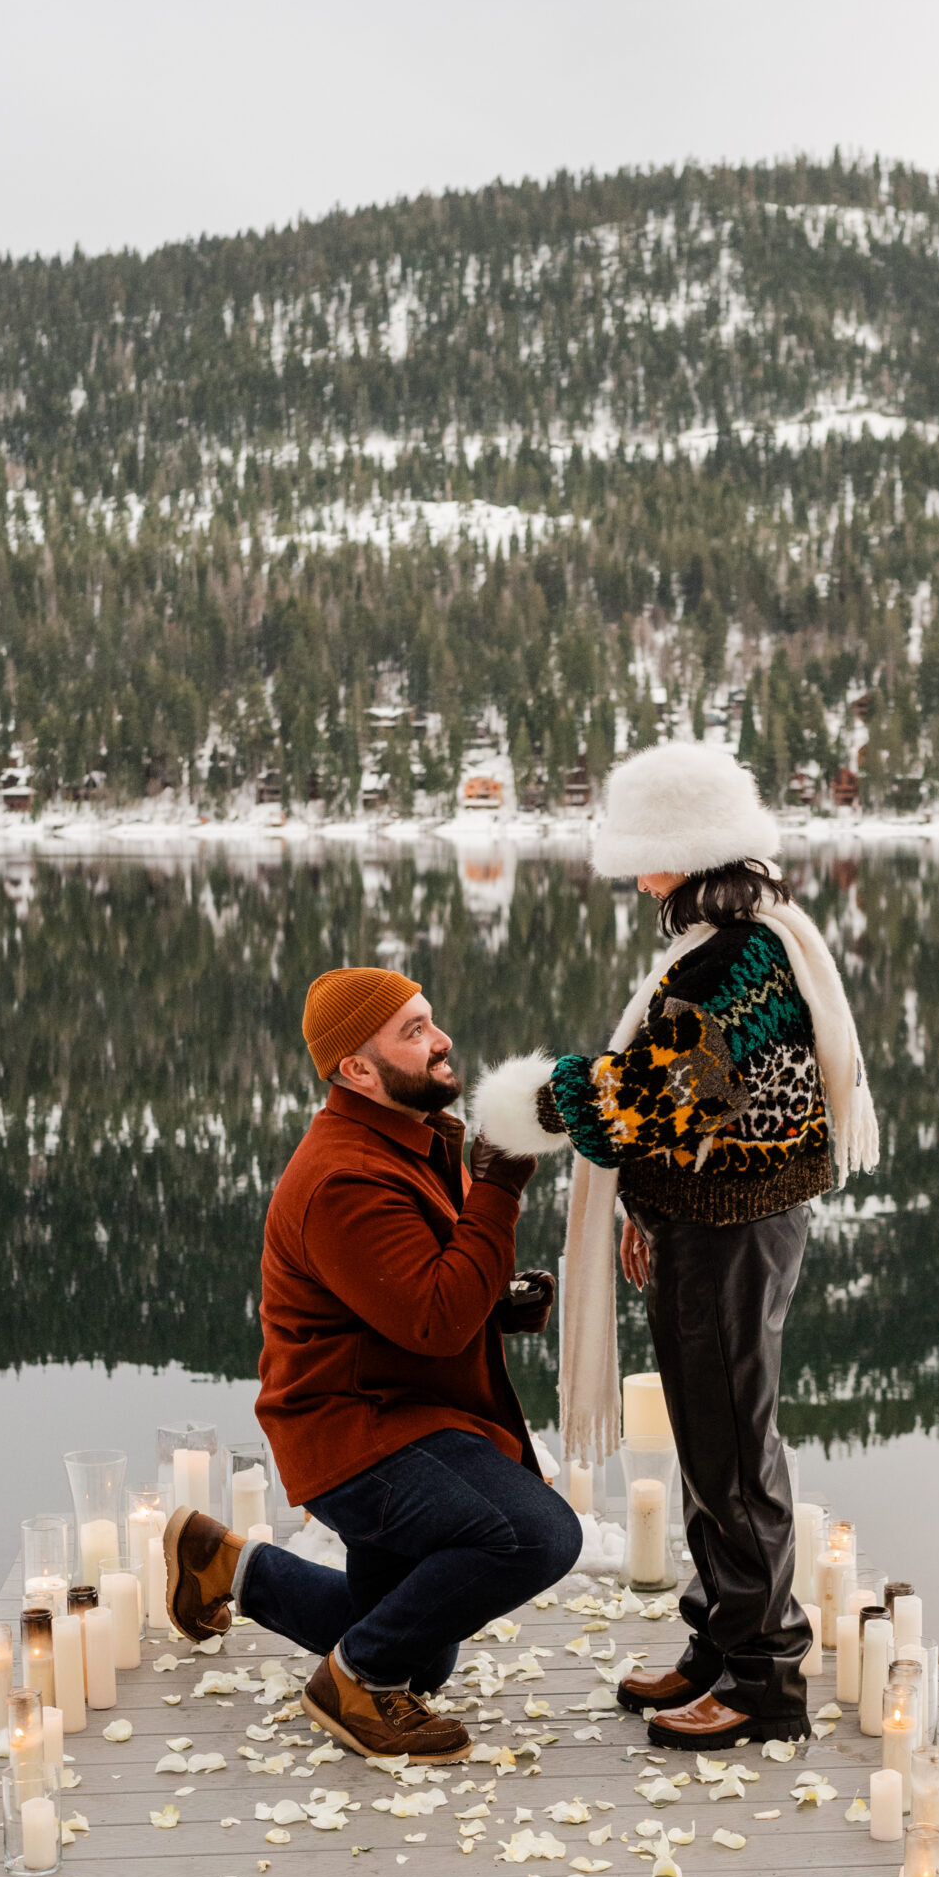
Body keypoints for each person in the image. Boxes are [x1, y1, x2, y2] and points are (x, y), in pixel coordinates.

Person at [471, 742, 879, 1750]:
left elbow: (650, 1095)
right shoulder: (739, 940)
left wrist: (523, 1107)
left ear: (687, 851)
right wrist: (650, 1213)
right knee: (711, 1441)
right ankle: (720, 1640)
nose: (634, 874)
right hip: (712, 1223)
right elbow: (691, 1112)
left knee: (733, 1448)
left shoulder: (740, 959)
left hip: (734, 1232)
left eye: (643, 853)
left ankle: (763, 1681)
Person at [162, 963, 580, 1761]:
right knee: (535, 1537)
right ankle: (349, 1685)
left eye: (431, 1018)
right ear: (356, 1068)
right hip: (354, 1432)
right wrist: (495, 1197)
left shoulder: (408, 1140)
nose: (441, 1039)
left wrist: (492, 1300)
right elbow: (429, 1322)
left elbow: (414, 1294)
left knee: (421, 1655)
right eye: (413, 1031)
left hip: (402, 1409)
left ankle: (222, 1563)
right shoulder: (344, 1177)